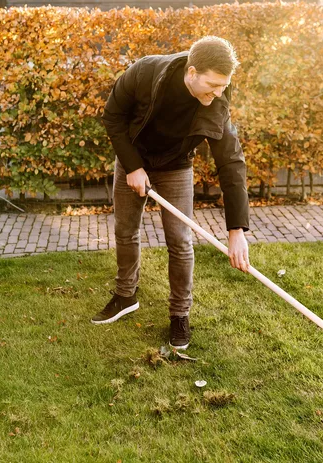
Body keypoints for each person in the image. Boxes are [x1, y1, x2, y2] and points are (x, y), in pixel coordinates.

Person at [92, 36, 251, 350]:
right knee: (125, 231)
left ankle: (180, 314)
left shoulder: (218, 99)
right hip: (133, 159)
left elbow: (231, 162)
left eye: (224, 86)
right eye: (212, 85)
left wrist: (236, 230)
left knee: (180, 241)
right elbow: (113, 116)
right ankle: (125, 295)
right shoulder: (145, 72)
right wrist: (133, 166)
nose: (218, 93)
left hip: (176, 166)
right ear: (191, 72)